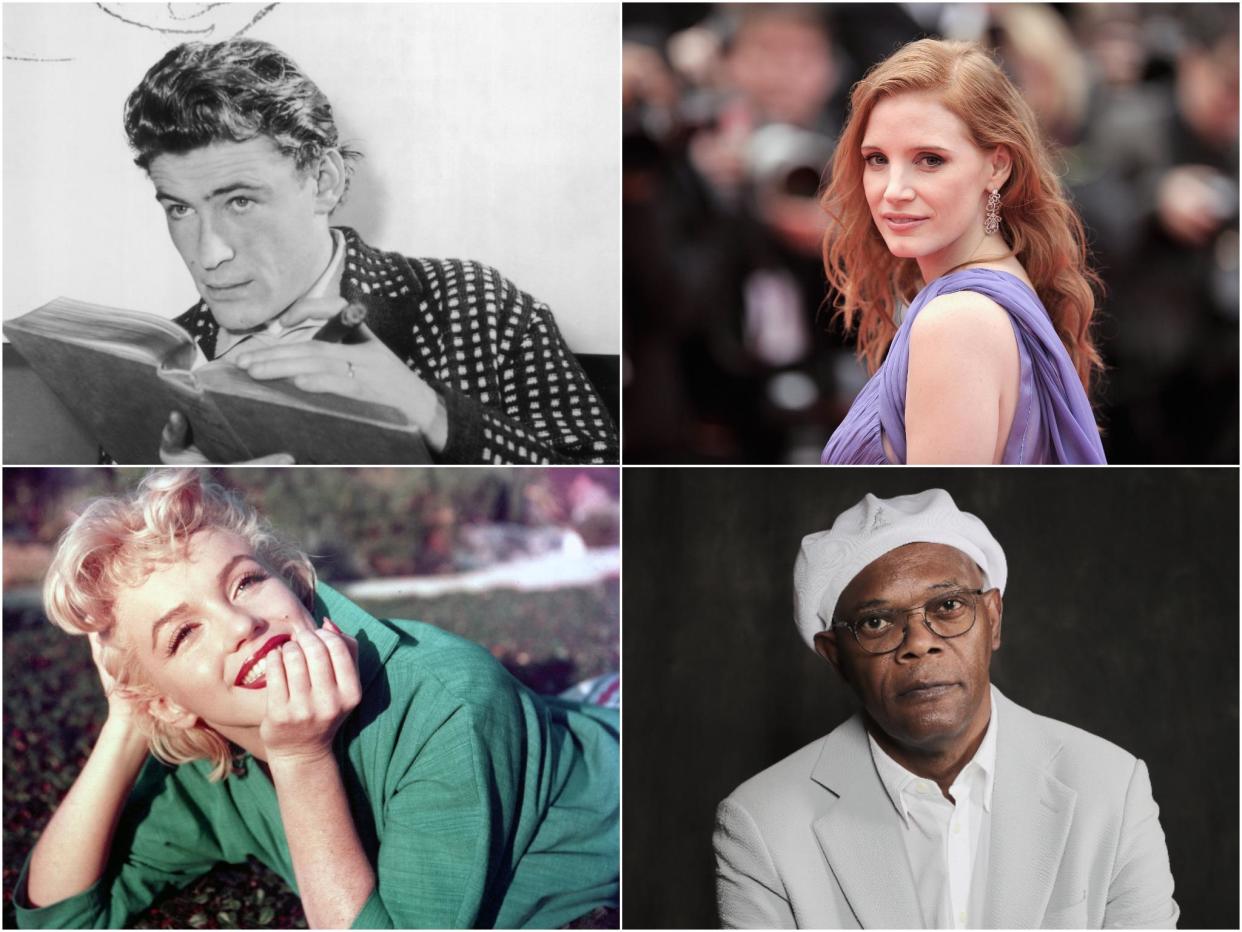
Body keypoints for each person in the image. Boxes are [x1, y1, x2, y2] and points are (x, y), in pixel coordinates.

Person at [13, 470, 619, 929]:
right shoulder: (213, 756)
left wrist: (303, 760)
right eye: (184, 632)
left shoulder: (449, 703)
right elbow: (55, 915)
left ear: (294, 586)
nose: (239, 623)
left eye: (246, 581)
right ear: (170, 702)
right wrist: (126, 722)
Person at [122, 38, 617, 466]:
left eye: (240, 201)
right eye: (180, 210)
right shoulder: (158, 363)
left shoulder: (474, 306)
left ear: (324, 182)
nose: (209, 255)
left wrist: (429, 412)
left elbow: (603, 483)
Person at [714, 489, 1177, 928]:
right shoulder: (762, 823)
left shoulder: (1112, 788)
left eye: (949, 605)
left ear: (993, 619)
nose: (919, 643)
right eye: (876, 621)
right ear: (835, 655)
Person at [818, 39, 1106, 464]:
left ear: (997, 166)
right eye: (877, 159)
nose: (893, 191)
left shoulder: (956, 322)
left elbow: (938, 524)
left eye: (930, 160)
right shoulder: (996, 291)